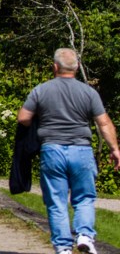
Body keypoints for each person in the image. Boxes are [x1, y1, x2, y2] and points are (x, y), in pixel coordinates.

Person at [17, 48, 120, 254]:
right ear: (77, 67)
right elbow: (104, 123)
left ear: (55, 67)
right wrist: (115, 149)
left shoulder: (41, 90)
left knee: (56, 201)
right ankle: (84, 235)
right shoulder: (89, 92)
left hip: (52, 149)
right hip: (81, 150)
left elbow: (23, 118)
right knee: (84, 197)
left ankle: (63, 247)